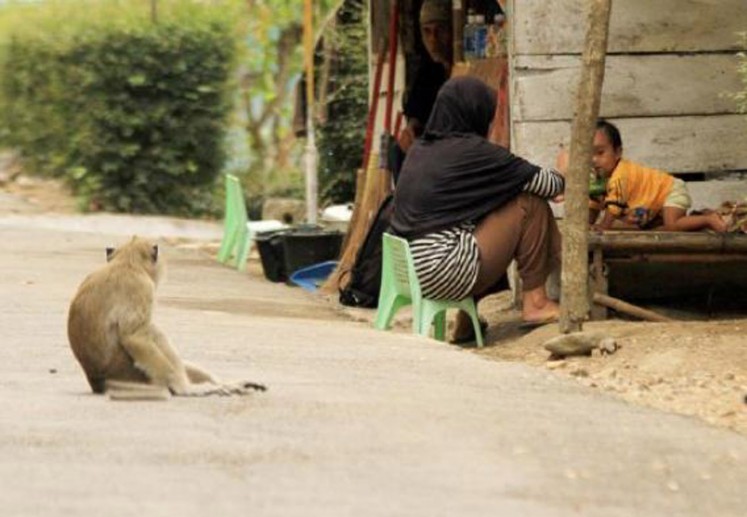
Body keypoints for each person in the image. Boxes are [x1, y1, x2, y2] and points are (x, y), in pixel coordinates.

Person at [391, 77, 566, 343]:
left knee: (483, 210)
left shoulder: (421, 149)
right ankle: (537, 302)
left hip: (408, 269)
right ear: (474, 113)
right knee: (529, 203)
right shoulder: (473, 152)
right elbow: (549, 185)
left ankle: (466, 320)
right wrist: (565, 167)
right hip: (442, 271)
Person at [582, 120, 728, 232]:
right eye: (589, 154)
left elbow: (614, 207)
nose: (594, 159)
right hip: (654, 204)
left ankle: (709, 219)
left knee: (672, 225)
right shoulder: (598, 178)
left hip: (670, 191)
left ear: (618, 152)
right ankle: (697, 217)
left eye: (600, 153)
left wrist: (602, 227)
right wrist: (587, 225)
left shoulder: (620, 176)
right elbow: (594, 203)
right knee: (658, 229)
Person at [398, 0, 453, 153]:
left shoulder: (465, 68)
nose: (433, 40)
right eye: (427, 32)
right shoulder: (427, 73)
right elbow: (415, 116)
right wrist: (411, 130)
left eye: (439, 30)